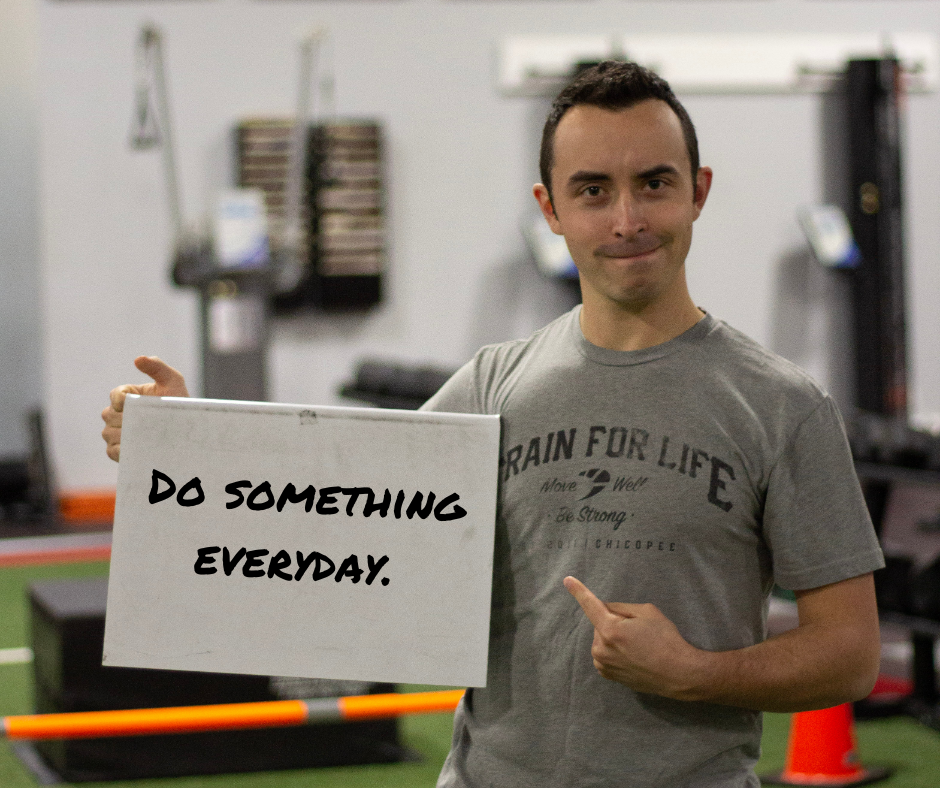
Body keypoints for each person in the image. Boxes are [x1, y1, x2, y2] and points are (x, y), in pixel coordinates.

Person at [103, 61, 884, 787]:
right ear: (550, 209)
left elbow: (849, 655)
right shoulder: (489, 387)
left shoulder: (783, 408)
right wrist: (187, 446)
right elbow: (332, 518)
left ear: (698, 191)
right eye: (592, 190)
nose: (626, 219)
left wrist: (695, 673)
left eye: (654, 183)